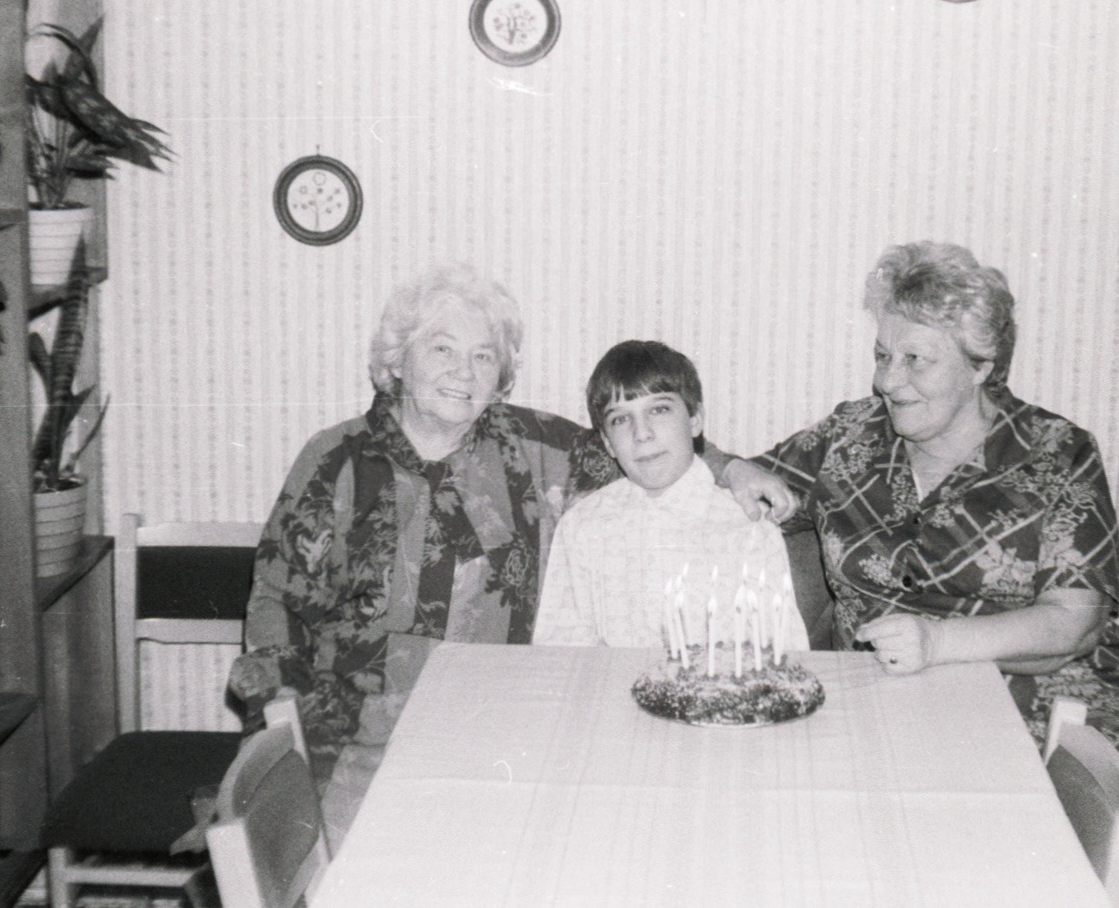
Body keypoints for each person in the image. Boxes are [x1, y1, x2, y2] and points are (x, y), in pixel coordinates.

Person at [227, 264, 795, 848]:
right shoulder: (335, 459)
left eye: (482, 356)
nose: (462, 372)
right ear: (398, 360)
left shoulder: (534, 447)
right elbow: (277, 608)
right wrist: (282, 744)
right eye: (442, 348)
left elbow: (650, 451)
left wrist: (731, 468)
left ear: (500, 374)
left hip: (499, 737)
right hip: (357, 744)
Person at [728, 241, 1119, 907]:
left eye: (915, 360)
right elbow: (712, 463)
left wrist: (938, 642)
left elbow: (1074, 619)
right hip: (890, 707)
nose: (887, 380)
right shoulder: (852, 435)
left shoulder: (1056, 453)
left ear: (981, 366)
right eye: (882, 354)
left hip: (1052, 703)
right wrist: (737, 471)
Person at [533, 340, 809, 652]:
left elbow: (784, 653)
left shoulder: (748, 528)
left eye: (659, 409)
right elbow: (558, 650)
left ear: (695, 420)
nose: (642, 433)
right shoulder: (583, 526)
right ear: (608, 444)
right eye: (620, 419)